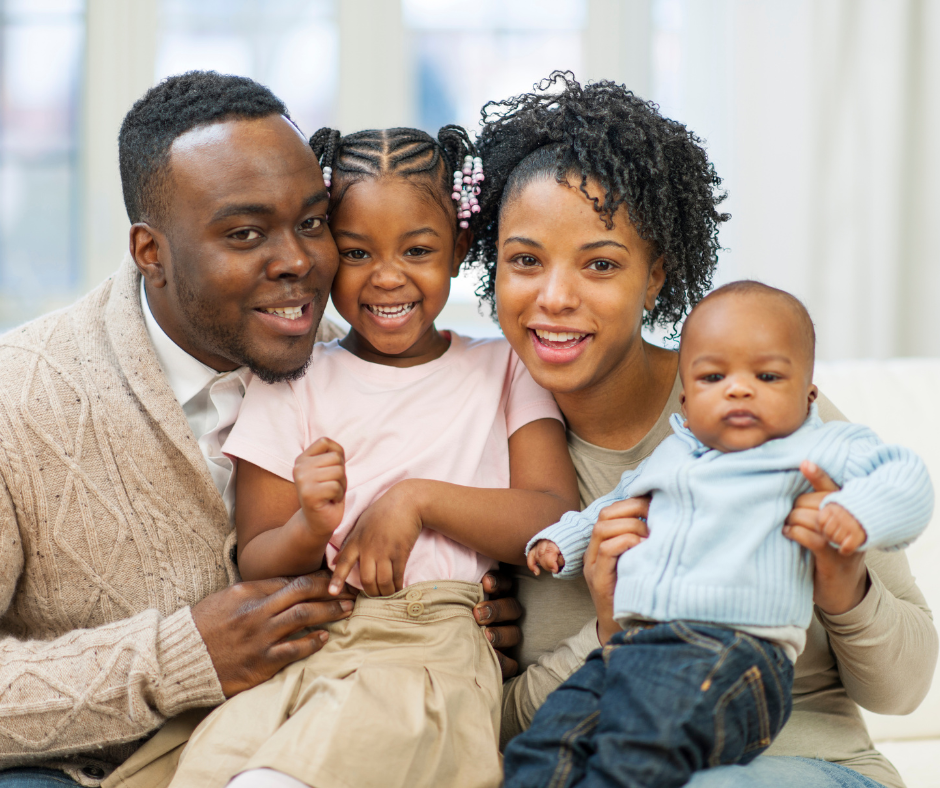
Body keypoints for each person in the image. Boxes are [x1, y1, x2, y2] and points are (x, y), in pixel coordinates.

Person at [0, 72, 520, 788]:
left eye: (312, 223)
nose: (298, 262)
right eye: (245, 234)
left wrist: (468, 618)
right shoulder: (19, 399)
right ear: (151, 252)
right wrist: (178, 661)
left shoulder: (368, 360)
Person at [468, 72, 938, 788]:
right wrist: (610, 631)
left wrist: (843, 582)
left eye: (600, 264)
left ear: (655, 276)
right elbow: (489, 729)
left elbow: (905, 690)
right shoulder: (480, 447)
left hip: (812, 764)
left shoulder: (766, 410)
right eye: (525, 260)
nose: (554, 297)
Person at [151, 125, 579, 788]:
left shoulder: (504, 369)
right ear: (324, 254)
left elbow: (555, 519)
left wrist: (417, 501)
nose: (387, 276)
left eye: (418, 249)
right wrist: (311, 526)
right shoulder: (289, 380)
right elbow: (257, 561)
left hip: (428, 651)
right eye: (355, 252)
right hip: (313, 646)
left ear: (460, 247)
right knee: (213, 767)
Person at [506, 281, 932, 787]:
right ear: (687, 403)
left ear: (809, 396)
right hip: (639, 650)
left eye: (767, 376)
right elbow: (607, 507)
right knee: (548, 743)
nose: (738, 388)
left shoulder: (814, 446)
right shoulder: (669, 456)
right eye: (713, 377)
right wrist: (560, 543)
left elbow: (903, 477)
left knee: (653, 754)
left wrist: (857, 519)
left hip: (738, 650)